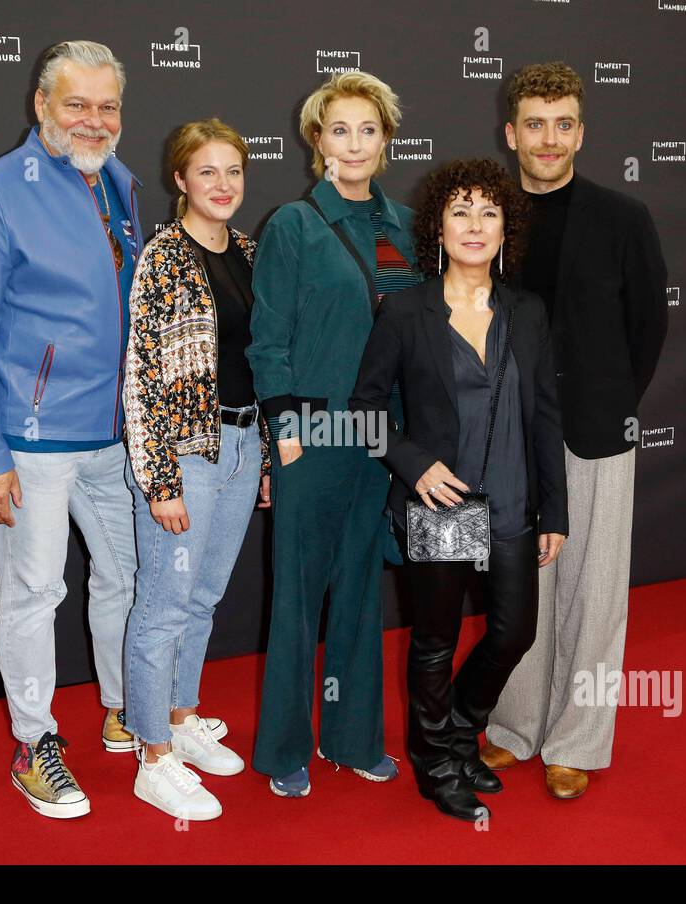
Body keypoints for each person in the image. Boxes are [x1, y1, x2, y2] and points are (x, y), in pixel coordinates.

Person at [0, 41, 223, 820]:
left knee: (128, 583)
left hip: (118, 437)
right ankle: (35, 744)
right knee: (32, 592)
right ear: (41, 106)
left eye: (108, 107)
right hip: (29, 441)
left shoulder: (122, 185)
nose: (93, 121)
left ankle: (128, 709)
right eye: (76, 104)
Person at [349, 158, 567, 821]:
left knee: (514, 634)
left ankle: (459, 729)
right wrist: (414, 464)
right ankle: (435, 757)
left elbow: (547, 412)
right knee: (436, 640)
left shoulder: (527, 311)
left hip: (511, 499)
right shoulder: (407, 310)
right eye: (461, 212)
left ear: (507, 228)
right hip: (442, 504)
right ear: (437, 229)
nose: (476, 225)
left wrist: (555, 507)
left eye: (490, 212)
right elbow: (363, 411)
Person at [479, 62, 668, 800]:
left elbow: (647, 326)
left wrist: (613, 403)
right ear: (511, 133)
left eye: (563, 124)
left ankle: (576, 740)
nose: (548, 139)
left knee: (594, 590)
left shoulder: (624, 218)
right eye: (535, 124)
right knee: (520, 583)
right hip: (505, 433)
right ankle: (515, 725)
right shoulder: (484, 213)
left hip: (594, 428)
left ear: (580, 132)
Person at [247, 71, 420, 797]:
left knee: (359, 590)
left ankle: (351, 738)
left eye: (368, 129)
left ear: (386, 139)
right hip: (313, 434)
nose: (354, 143)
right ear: (316, 141)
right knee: (296, 594)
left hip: (386, 435)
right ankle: (284, 747)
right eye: (339, 129)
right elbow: (268, 338)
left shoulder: (408, 223)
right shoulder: (293, 224)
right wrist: (284, 430)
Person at [122, 120, 271, 821]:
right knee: (162, 609)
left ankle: (182, 717)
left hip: (241, 447)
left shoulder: (248, 250)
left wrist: (265, 453)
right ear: (179, 180)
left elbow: (261, 362)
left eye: (233, 171)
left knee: (205, 595)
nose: (223, 185)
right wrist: (161, 480)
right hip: (184, 455)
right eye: (207, 172)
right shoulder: (162, 258)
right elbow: (141, 376)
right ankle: (153, 757)